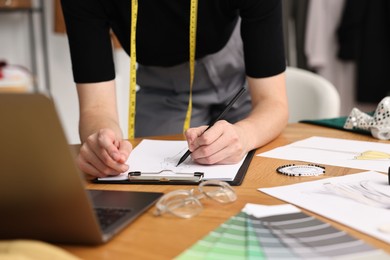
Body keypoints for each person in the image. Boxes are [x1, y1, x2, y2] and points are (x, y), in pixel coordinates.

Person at [60, 0, 289, 179]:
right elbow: (96, 107)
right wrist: (102, 144)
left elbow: (273, 103)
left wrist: (245, 135)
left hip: (237, 73)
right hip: (164, 87)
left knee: (257, 175)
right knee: (155, 186)